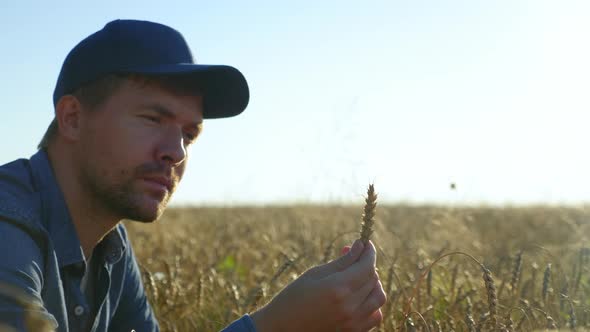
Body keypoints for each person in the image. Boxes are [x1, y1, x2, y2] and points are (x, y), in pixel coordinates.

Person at [0, 19, 386, 332]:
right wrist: (274, 327)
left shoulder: (110, 245)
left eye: (189, 133)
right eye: (153, 119)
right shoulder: (7, 224)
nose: (177, 151)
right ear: (72, 118)